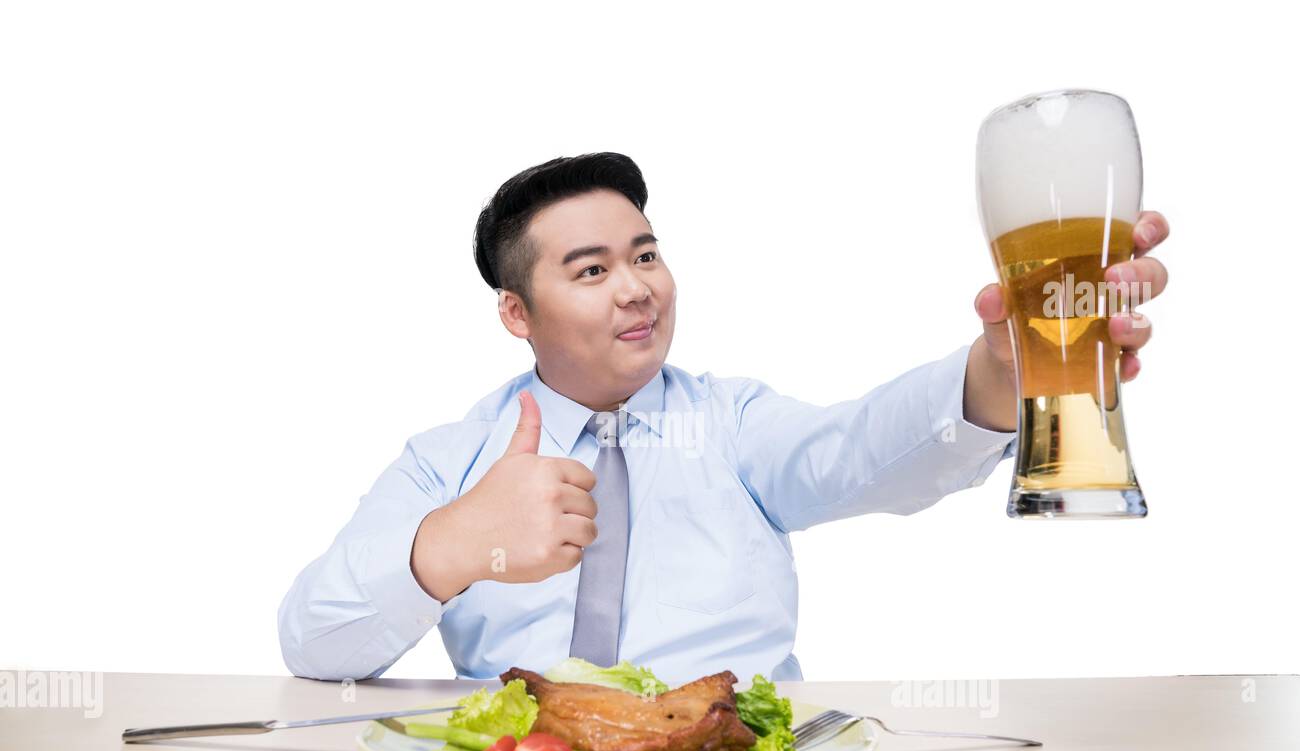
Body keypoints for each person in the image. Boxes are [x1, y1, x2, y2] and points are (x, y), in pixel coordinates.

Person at [278, 152, 1168, 685]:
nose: (637, 288)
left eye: (647, 255)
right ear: (517, 314)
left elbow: (860, 451)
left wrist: (997, 369)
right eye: (590, 271)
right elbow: (314, 644)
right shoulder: (447, 462)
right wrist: (451, 546)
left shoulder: (733, 421)